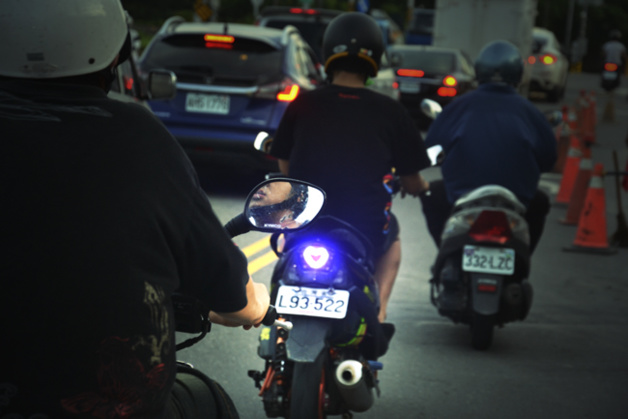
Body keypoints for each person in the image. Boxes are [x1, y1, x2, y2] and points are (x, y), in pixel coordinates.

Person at [0, 0, 270, 417]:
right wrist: (256, 305)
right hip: (111, 406)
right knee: (208, 403)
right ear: (116, 54)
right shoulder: (140, 139)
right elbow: (226, 285)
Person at [269, 12, 431, 324]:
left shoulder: (304, 104)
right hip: (363, 225)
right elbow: (412, 181)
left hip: (305, 220)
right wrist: (421, 187)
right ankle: (379, 315)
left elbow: (285, 165)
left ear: (329, 52)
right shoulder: (391, 111)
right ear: (376, 57)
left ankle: (276, 329)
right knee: (393, 236)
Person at [420, 40, 558, 253]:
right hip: (516, 202)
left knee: (430, 194)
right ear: (517, 73)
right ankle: (522, 258)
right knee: (540, 202)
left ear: (479, 70)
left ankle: (446, 252)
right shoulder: (531, 113)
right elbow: (548, 159)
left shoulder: (458, 107)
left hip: (462, 199)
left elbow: (430, 152)